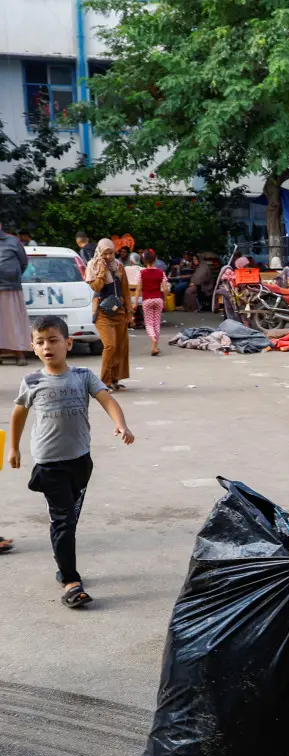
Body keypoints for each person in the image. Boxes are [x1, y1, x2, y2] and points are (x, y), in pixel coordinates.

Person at [7, 315, 135, 607]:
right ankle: (70, 581)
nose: (47, 346)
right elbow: (18, 415)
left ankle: (63, 563)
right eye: (40, 342)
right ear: (33, 348)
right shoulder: (32, 381)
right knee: (63, 520)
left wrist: (121, 424)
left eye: (53, 340)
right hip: (49, 463)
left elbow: (107, 400)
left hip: (81, 461)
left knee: (70, 518)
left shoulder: (82, 376)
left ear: (68, 342)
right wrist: (12, 449)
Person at [86, 239, 134, 391]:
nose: (108, 256)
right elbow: (97, 286)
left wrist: (129, 311)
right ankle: (104, 382)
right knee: (110, 345)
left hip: (118, 310)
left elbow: (125, 290)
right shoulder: (92, 266)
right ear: (99, 252)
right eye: (105, 253)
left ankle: (115, 379)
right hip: (101, 311)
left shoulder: (119, 266)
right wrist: (102, 270)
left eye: (111, 253)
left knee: (120, 346)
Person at [0, 220, 31, 365]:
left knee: (14, 322)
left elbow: (24, 262)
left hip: (10, 288)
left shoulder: (13, 241)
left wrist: (12, 274)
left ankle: (20, 355)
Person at [137, 249, 169, 357]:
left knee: (149, 323)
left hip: (147, 300)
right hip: (158, 299)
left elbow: (138, 288)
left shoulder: (141, 273)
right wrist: (164, 300)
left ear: (144, 261)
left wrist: (135, 302)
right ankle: (155, 346)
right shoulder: (161, 273)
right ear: (155, 259)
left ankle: (153, 341)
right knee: (156, 323)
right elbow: (165, 288)